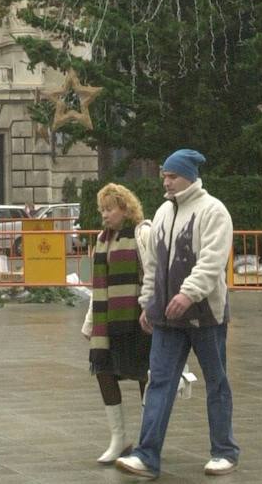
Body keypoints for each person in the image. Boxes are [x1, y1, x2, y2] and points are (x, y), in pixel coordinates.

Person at [116, 150, 238, 479]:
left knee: (217, 382)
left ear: (188, 176)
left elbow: (213, 260)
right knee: (159, 382)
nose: (166, 182)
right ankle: (146, 455)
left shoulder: (213, 211)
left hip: (205, 315)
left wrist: (188, 293)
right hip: (167, 318)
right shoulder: (163, 213)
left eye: (171, 176)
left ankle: (224, 451)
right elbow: (153, 265)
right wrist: (148, 303)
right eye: (164, 176)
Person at [82, 183, 153, 465]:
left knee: (142, 376)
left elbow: (152, 273)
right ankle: (119, 438)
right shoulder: (102, 239)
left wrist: (150, 308)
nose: (104, 215)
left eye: (109, 209)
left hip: (137, 320)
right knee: (104, 371)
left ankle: (149, 441)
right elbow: (98, 286)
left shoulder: (142, 233)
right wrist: (90, 323)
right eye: (102, 210)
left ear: (125, 208)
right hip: (107, 321)